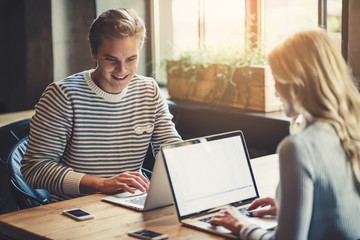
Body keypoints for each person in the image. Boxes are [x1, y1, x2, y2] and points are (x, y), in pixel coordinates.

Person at [209, 28, 360, 239]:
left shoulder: (298, 147)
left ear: (298, 82)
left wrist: (242, 225)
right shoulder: (350, 128)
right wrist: (289, 207)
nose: (275, 89)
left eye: (277, 79)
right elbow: (342, 212)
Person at [21, 8, 181, 203]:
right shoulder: (62, 95)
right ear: (93, 52)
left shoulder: (149, 90)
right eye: (111, 60)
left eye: (131, 59)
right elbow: (35, 169)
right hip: (74, 211)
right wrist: (101, 184)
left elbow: (173, 150)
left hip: (131, 203)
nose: (122, 70)